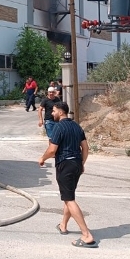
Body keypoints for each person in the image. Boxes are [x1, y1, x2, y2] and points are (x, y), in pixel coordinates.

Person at [38, 101, 97, 248]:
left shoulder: (58, 127)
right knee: (69, 197)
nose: (52, 113)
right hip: (76, 164)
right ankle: (63, 225)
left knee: (69, 199)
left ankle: (87, 235)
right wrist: (82, 163)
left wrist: (42, 158)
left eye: (53, 111)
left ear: (60, 112)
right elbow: (85, 148)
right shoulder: (76, 126)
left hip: (65, 165)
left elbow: (52, 150)